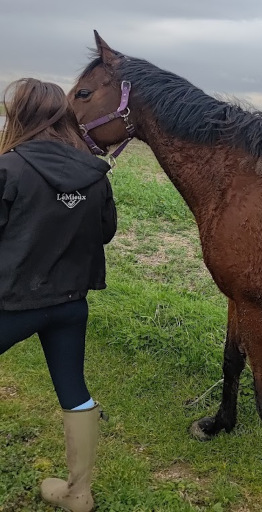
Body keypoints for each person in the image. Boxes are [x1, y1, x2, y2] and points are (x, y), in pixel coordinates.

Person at [0, 78, 116, 512]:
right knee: (75, 390)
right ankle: (78, 495)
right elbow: (105, 232)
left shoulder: (8, 168)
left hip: (10, 304)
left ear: (20, 116)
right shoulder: (94, 173)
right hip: (70, 305)